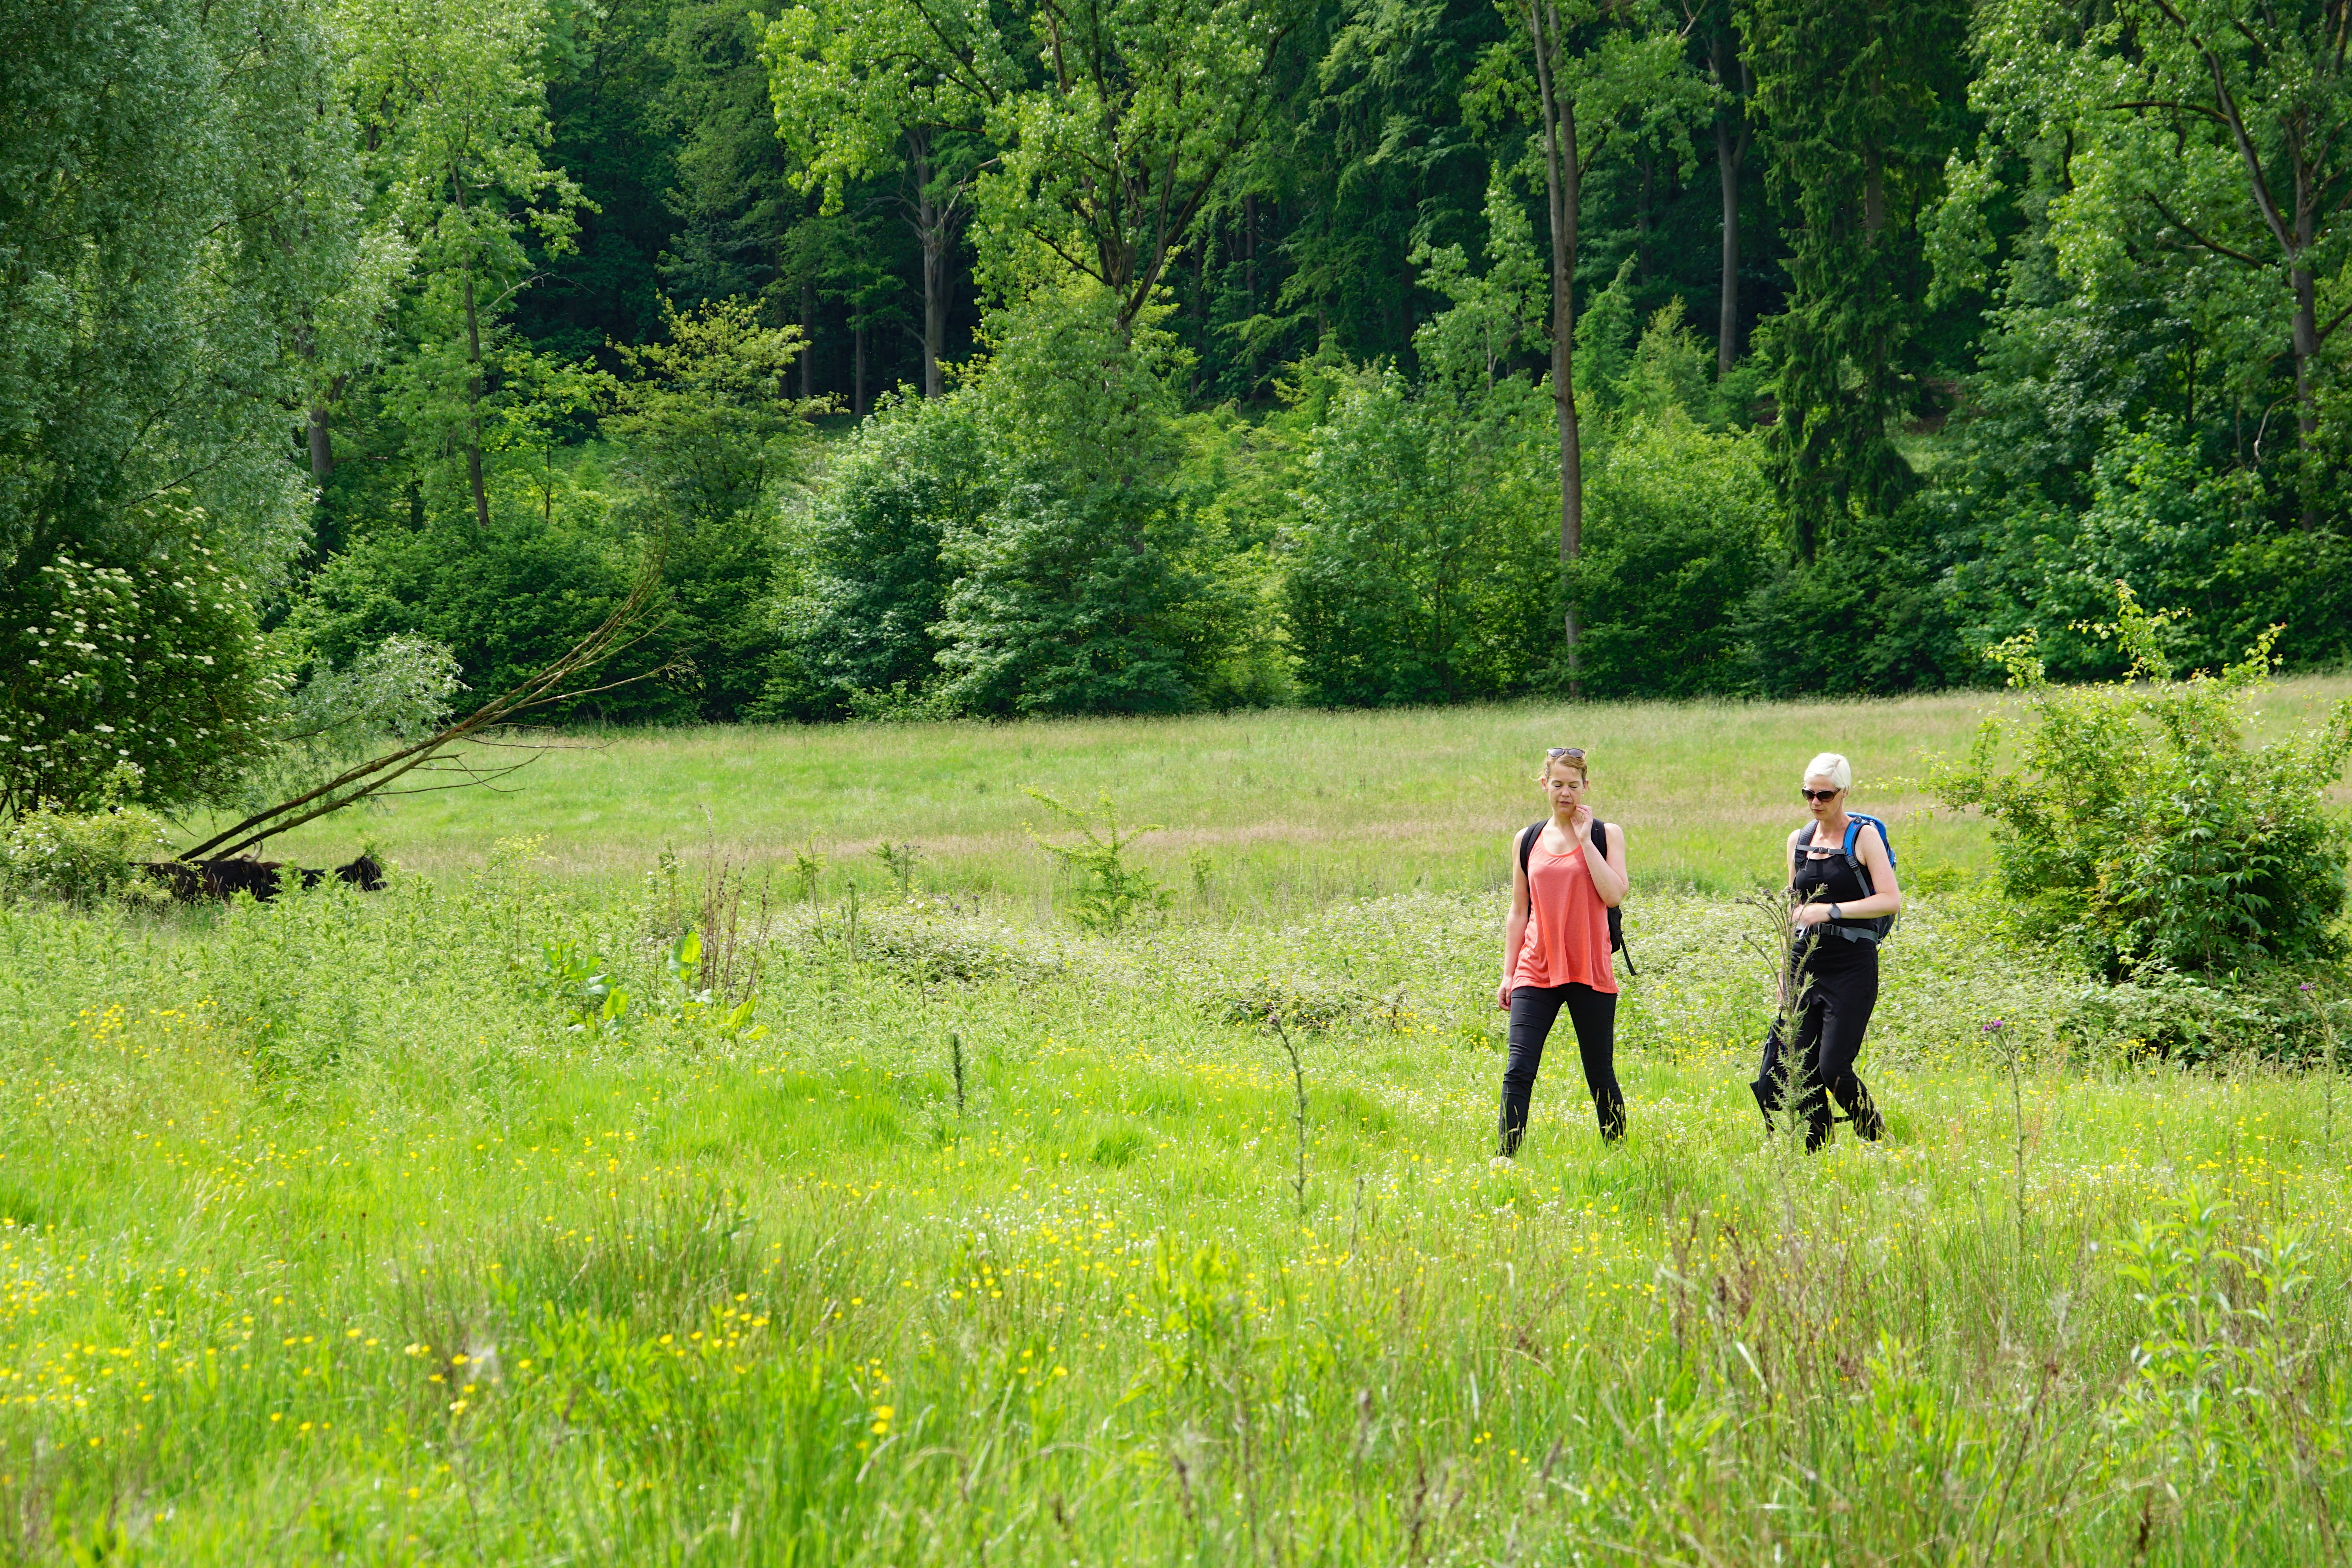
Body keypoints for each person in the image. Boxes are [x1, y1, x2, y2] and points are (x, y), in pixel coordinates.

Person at [1750, 752, 1902, 1151]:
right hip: (1806, 960)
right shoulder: (1798, 841)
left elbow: (1890, 900)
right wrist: (1784, 971)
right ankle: (1817, 1145)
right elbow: (1793, 912)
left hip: (1852, 962)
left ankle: (1878, 1138)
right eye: (1808, 794)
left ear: (1844, 793)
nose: (1816, 802)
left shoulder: (1863, 836)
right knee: (1798, 1066)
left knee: (1833, 1065)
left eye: (1825, 794)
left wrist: (1830, 910)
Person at [1494, 746, 1629, 1161]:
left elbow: (1613, 894)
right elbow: (1520, 910)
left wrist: (1586, 841)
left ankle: (1618, 1154)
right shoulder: (1527, 840)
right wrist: (1508, 973)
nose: (1566, 793)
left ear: (1586, 786)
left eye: (1574, 785)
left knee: (1599, 1073)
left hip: (1589, 966)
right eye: (1558, 784)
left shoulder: (1609, 834)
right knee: (1519, 1067)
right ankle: (1505, 1157)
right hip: (1536, 967)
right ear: (1544, 785)